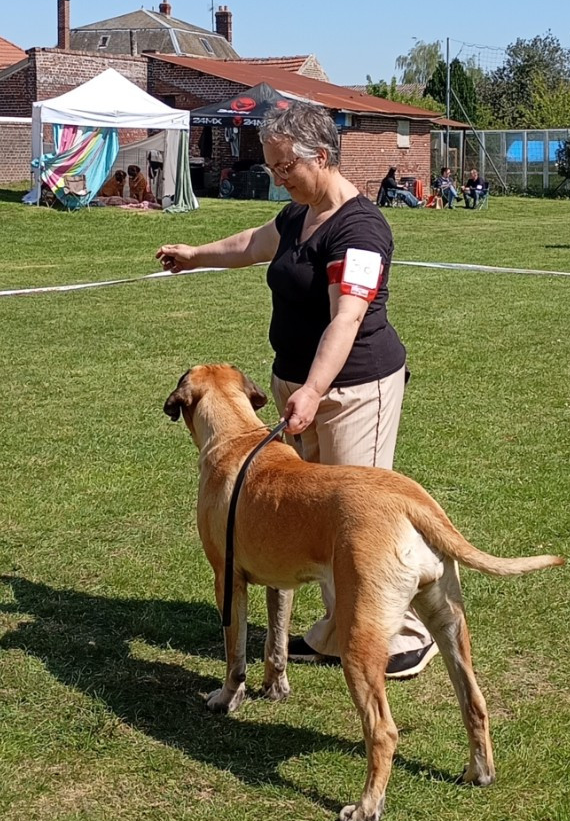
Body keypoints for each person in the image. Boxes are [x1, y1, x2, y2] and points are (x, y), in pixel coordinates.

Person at [155, 99, 437, 680]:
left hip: (352, 391)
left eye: (286, 166)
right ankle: (337, 631)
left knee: (357, 520)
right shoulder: (297, 214)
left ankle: (404, 638)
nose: (278, 177)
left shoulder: (361, 230)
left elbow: (347, 319)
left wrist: (312, 389)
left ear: (323, 157)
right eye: (272, 166)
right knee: (314, 518)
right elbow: (251, 244)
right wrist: (194, 256)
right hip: (296, 385)